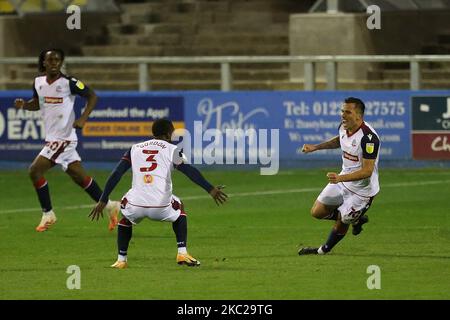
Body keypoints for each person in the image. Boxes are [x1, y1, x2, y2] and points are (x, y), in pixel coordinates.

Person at [89, 118, 228, 268]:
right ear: (169, 134)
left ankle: (121, 260)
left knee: (126, 216)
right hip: (160, 206)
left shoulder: (134, 148)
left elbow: (116, 173)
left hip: (136, 205)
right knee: (179, 205)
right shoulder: (172, 149)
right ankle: (182, 252)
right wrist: (210, 189)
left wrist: (103, 200)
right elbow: (189, 171)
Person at [14, 48, 120, 232]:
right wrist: (24, 105)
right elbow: (37, 103)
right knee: (79, 176)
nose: (54, 63)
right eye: (50, 60)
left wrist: (83, 118)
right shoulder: (38, 82)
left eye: (57, 60)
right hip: (54, 138)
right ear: (44, 63)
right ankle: (111, 206)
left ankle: (48, 214)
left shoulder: (69, 83)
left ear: (61, 63)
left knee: (34, 171)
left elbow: (92, 96)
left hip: (64, 138)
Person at [298, 97, 380, 255]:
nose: (343, 115)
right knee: (317, 212)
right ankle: (354, 218)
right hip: (342, 180)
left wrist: (340, 178)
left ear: (358, 115)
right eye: (342, 111)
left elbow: (367, 172)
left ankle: (323, 250)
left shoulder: (369, 138)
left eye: (347, 112)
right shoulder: (344, 127)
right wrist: (316, 147)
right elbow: (340, 141)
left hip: (362, 192)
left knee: (344, 220)